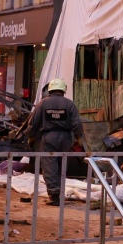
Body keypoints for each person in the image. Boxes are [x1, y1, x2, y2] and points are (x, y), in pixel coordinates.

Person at [27, 78, 87, 206]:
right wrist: (79, 139)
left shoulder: (42, 104)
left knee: (50, 165)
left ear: (50, 90)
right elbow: (77, 124)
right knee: (62, 164)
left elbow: (33, 124)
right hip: (66, 138)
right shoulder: (69, 104)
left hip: (48, 137)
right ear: (63, 90)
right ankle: (60, 193)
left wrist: (30, 137)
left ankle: (54, 196)